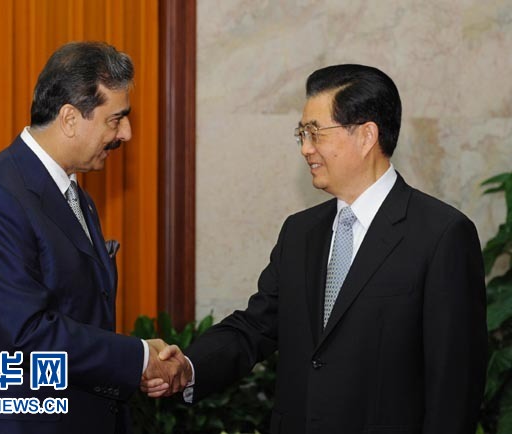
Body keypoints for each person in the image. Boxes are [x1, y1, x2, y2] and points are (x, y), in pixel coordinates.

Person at [145, 64, 487, 434]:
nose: (305, 148)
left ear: (366, 135)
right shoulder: (300, 232)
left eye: (315, 133)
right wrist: (189, 366)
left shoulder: (441, 234)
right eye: (301, 134)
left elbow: (454, 388)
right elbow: (255, 326)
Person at [0, 41, 190, 434]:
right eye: (115, 119)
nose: (127, 133)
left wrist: (135, 356)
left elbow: (75, 314)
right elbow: (23, 336)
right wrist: (136, 357)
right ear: (70, 118)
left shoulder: (75, 196)